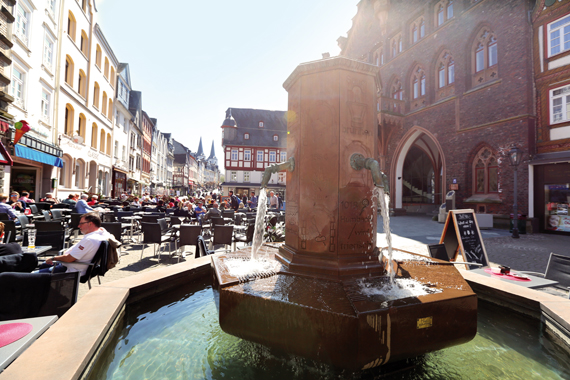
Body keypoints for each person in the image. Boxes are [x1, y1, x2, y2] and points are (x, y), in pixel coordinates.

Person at [36, 213, 109, 275]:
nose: (78, 226)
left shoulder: (90, 240)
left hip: (72, 270)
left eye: (81, 223)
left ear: (90, 224)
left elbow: (69, 259)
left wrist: (53, 258)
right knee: (44, 265)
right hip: (78, 266)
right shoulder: (101, 233)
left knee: (31, 276)